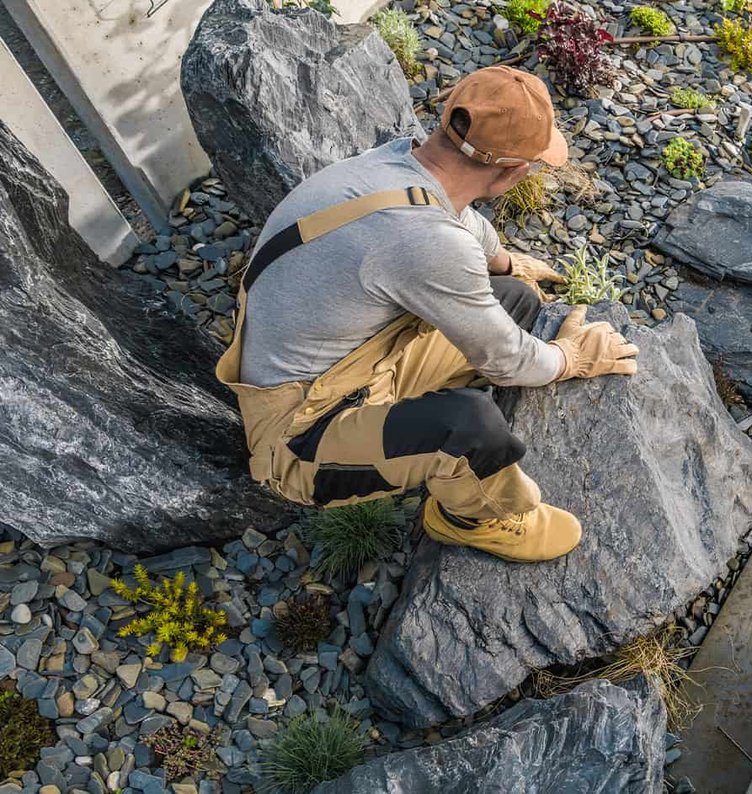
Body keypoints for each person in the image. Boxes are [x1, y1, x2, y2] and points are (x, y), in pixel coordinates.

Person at [214, 66, 637, 563]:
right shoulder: (427, 243)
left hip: (353, 367)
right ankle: (470, 517)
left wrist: (505, 262)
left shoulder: (393, 163)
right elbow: (505, 358)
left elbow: (456, 220)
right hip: (300, 433)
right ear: (513, 173)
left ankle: (417, 417)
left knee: (513, 298)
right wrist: (569, 359)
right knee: (469, 428)